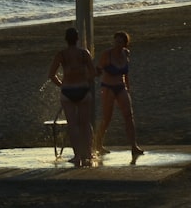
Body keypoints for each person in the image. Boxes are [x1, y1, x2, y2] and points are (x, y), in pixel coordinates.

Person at [48, 28, 97, 166]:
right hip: (82, 89)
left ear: (66, 39)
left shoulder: (61, 54)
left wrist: (61, 85)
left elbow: (51, 75)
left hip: (67, 91)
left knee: (73, 125)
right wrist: (84, 79)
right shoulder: (83, 53)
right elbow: (93, 73)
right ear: (77, 39)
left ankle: (77, 155)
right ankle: (87, 153)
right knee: (85, 124)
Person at [93, 31, 144, 162]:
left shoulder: (125, 53)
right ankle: (98, 143)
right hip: (108, 87)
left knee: (128, 115)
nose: (117, 44)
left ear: (125, 43)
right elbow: (98, 69)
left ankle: (134, 145)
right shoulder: (107, 54)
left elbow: (126, 73)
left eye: (120, 42)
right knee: (107, 117)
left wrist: (128, 87)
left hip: (121, 87)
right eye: (116, 41)